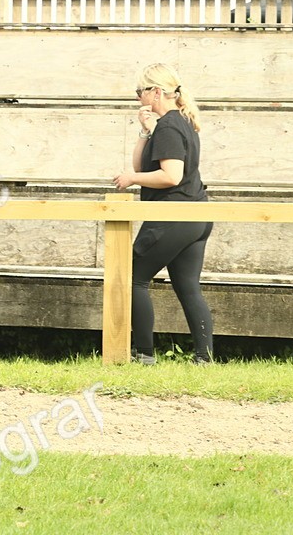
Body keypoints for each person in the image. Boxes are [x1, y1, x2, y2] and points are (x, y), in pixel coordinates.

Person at [112, 64, 213, 365]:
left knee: (133, 277)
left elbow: (171, 175)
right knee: (188, 287)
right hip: (196, 216)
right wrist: (145, 131)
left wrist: (132, 179)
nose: (137, 97)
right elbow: (141, 165)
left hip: (172, 215)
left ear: (156, 92)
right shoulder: (179, 122)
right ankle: (204, 358)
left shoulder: (169, 126)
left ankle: (143, 354)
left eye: (140, 91)